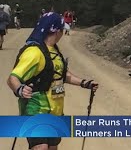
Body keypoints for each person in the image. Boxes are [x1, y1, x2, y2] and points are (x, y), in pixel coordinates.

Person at [7, 12, 99, 150]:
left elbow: (60, 75)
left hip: (55, 111)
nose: (63, 33)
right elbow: (12, 78)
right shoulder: (34, 52)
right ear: (56, 31)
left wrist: (84, 83)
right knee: (41, 147)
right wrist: (20, 89)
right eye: (62, 29)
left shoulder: (55, 51)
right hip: (36, 110)